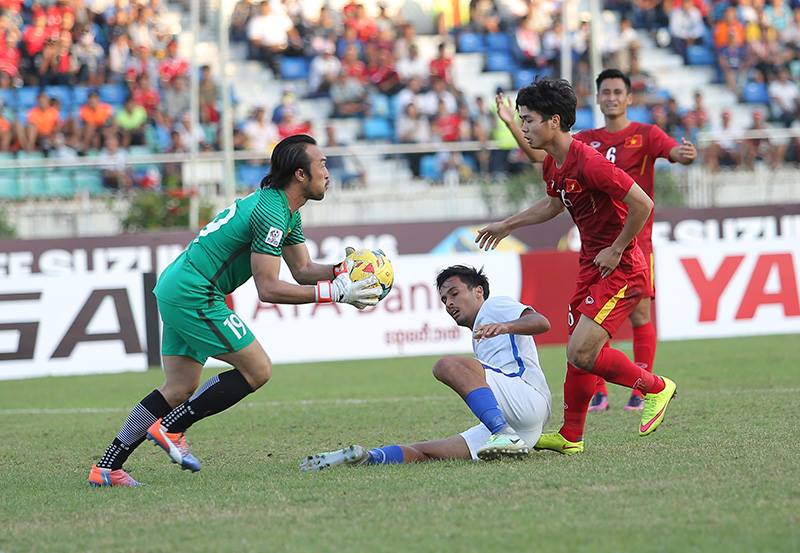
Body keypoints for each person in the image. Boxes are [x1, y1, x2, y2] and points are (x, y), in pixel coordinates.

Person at [87, 135, 382, 487]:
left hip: (180, 286)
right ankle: (171, 426)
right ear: (300, 174)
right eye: (322, 165)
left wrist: (342, 270)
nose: (328, 172)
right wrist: (333, 294)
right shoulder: (273, 212)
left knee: (179, 387)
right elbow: (269, 288)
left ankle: (106, 468)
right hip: (196, 292)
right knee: (257, 369)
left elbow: (302, 270)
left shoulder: (284, 209)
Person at [476, 79, 677, 455]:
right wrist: (507, 225)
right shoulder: (554, 161)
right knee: (577, 352)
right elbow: (554, 204)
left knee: (582, 352)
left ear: (554, 121)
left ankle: (656, 387)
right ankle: (571, 435)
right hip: (592, 265)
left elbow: (643, 203)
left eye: (528, 120)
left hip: (621, 265)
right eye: (520, 120)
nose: (523, 128)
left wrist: (617, 248)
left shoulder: (591, 162)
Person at [299, 265, 552, 471]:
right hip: (523, 427)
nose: (449, 303)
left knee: (447, 365)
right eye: (444, 299)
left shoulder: (494, 307)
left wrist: (506, 326)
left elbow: (541, 322)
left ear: (478, 292)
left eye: (454, 294)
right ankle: (366, 457)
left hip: (526, 400)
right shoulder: (480, 330)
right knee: (425, 451)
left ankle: (503, 434)